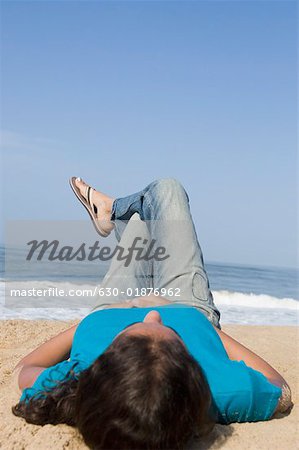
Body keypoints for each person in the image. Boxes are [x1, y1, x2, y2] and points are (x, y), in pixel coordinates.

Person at [12, 178, 292, 450]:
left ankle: (111, 214)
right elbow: (280, 389)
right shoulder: (217, 392)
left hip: (111, 307)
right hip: (187, 306)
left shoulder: (79, 383)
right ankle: (112, 211)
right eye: (174, 339)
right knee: (168, 190)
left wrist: (92, 322)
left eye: (127, 335)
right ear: (192, 373)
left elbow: (23, 370)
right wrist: (209, 332)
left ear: (102, 365)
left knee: (139, 224)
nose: (152, 315)